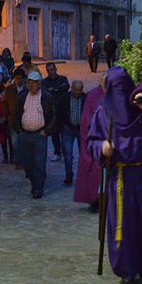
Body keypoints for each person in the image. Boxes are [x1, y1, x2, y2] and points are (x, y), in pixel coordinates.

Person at [86, 67, 142, 284]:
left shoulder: (140, 106)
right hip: (121, 176)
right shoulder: (103, 112)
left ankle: (141, 261)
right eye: (117, 87)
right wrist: (102, 147)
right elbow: (91, 140)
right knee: (125, 226)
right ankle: (127, 269)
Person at [13, 70, 55, 199]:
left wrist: (46, 131)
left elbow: (54, 115)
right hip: (25, 134)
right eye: (29, 83)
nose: (31, 86)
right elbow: (17, 114)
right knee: (27, 162)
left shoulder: (46, 97)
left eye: (34, 83)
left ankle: (37, 188)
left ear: (39, 84)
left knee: (39, 162)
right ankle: (34, 180)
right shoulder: (22, 96)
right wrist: (19, 131)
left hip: (39, 134)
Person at [74, 80, 105, 213]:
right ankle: (95, 200)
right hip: (96, 141)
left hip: (109, 140)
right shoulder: (93, 96)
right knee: (94, 172)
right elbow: (86, 120)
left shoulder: (113, 94)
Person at [56, 80, 86, 185]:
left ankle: (83, 175)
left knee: (84, 153)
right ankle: (69, 174)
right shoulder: (65, 98)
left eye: (80, 90)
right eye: (76, 90)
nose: (78, 92)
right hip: (68, 128)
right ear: (72, 89)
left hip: (81, 129)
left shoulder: (86, 98)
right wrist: (63, 124)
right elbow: (58, 111)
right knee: (68, 153)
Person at [42, 62, 70, 161]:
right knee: (54, 133)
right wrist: (57, 90)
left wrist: (54, 89)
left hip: (63, 110)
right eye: (48, 70)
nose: (50, 72)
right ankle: (57, 152)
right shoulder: (44, 82)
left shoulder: (62, 79)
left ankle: (66, 152)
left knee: (65, 133)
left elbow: (65, 88)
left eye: (52, 70)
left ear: (56, 69)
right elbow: (45, 92)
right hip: (52, 111)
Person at [2, 68, 26, 168]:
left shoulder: (27, 89)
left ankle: (24, 160)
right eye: (17, 78)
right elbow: (5, 104)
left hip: (25, 118)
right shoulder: (9, 89)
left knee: (24, 141)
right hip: (13, 118)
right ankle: (18, 160)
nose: (19, 80)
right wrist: (6, 116)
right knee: (15, 141)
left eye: (21, 78)